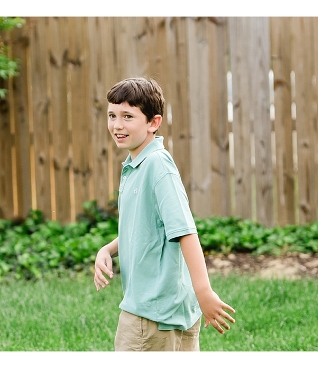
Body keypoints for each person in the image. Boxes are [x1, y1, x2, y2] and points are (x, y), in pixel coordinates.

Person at [92, 77, 236, 351]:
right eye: (112, 115)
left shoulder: (157, 166)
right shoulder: (136, 164)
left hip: (150, 315)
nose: (117, 125)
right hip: (163, 311)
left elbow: (185, 231)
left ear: (153, 122)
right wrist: (108, 250)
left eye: (127, 116)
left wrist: (204, 292)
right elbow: (146, 229)